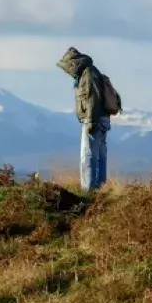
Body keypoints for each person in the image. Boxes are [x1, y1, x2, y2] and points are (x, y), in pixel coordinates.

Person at [56, 47, 111, 193]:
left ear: (73, 65)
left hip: (94, 119)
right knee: (99, 155)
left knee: (87, 156)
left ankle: (88, 190)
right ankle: (100, 187)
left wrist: (91, 121)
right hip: (102, 119)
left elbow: (92, 98)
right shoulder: (92, 71)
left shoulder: (87, 75)